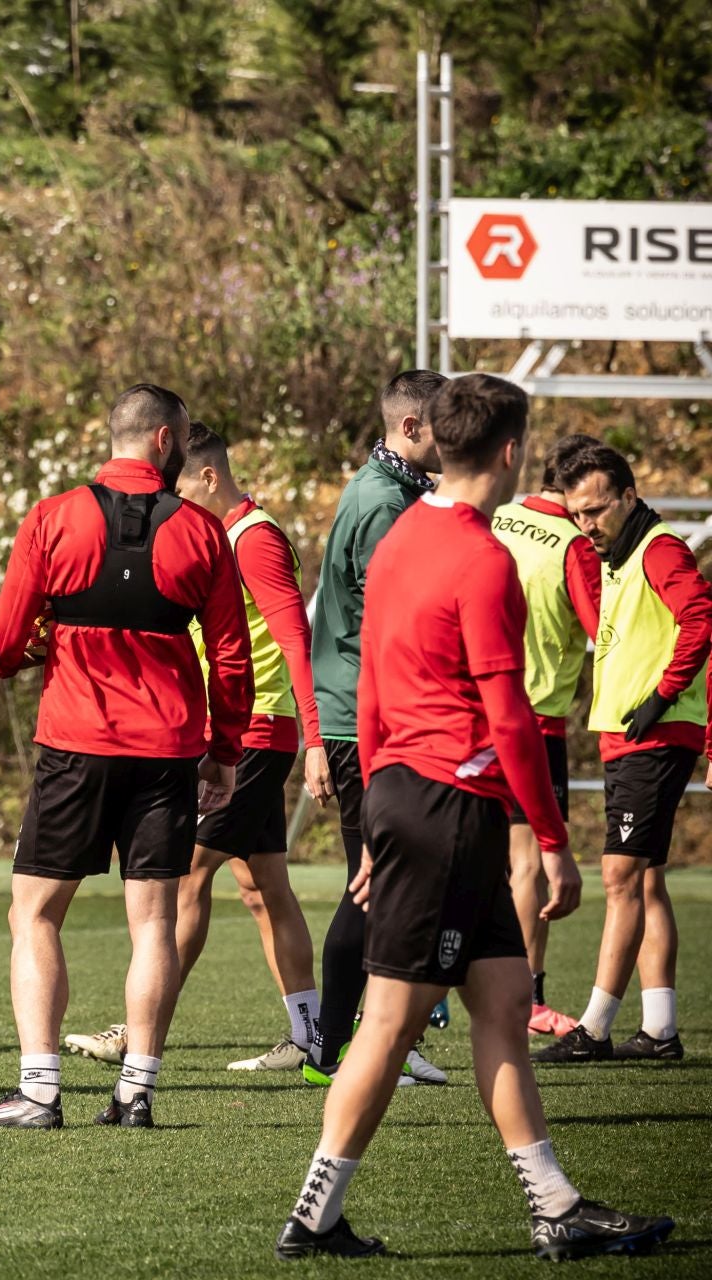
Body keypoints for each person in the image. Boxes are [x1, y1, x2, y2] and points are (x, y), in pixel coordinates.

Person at [276, 373, 672, 1262]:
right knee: (387, 1024)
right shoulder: (480, 555)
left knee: (500, 1002)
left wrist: (379, 813)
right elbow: (510, 714)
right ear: (509, 450)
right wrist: (558, 842)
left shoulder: (402, 537)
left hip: (408, 798)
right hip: (454, 809)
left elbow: (370, 686)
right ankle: (313, 1214)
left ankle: (556, 1206)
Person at [0, 384, 253, 1130]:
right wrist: (224, 754)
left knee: (35, 914)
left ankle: (39, 1091)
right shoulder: (203, 531)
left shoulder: (53, 517)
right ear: (163, 441)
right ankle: (135, 1093)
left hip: (74, 744)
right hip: (168, 751)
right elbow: (231, 656)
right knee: (152, 921)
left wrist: (34, 646)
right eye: (182, 439)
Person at [68, 423, 324, 1072]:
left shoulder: (252, 539)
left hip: (259, 732)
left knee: (183, 878)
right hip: (249, 731)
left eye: (180, 487)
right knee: (263, 884)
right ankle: (312, 1034)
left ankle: (136, 1032)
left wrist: (317, 740)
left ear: (209, 477)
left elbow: (296, 639)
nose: (172, 503)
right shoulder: (220, 536)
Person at [534, 439, 707, 1065]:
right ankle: (659, 1029)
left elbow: (702, 617)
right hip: (627, 736)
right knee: (646, 879)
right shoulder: (616, 552)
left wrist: (663, 695)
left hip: (655, 735)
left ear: (629, 497)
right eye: (578, 513)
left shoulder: (659, 549)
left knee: (619, 875)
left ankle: (595, 1028)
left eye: (598, 510)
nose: (587, 524)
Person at [303, 369, 449, 1087]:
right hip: (368, 719)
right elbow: (390, 626)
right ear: (412, 429)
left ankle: (361, 1038)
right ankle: (335, 1047)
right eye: (444, 425)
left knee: (384, 879)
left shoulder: (388, 492)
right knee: (377, 881)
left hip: (364, 713)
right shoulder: (385, 503)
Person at [488, 435, 600, 1040]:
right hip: (533, 719)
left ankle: (428, 984)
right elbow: (601, 630)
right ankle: (528, 997)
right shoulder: (574, 545)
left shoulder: (499, 514)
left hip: (471, 707)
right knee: (528, 863)